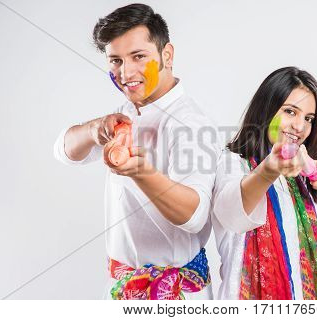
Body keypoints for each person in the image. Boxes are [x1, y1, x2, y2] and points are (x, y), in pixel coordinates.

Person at [53, 3, 219, 300]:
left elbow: (194, 214)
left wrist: (140, 172)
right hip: (121, 286)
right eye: (115, 60)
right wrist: (94, 130)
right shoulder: (127, 111)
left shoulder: (190, 123)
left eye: (138, 57)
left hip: (173, 296)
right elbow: (64, 151)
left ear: (166, 55)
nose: (125, 72)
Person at [212, 66, 317, 300]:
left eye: (308, 118)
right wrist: (270, 169)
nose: (300, 127)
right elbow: (232, 213)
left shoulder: (300, 182)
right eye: (290, 111)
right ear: (266, 111)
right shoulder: (232, 163)